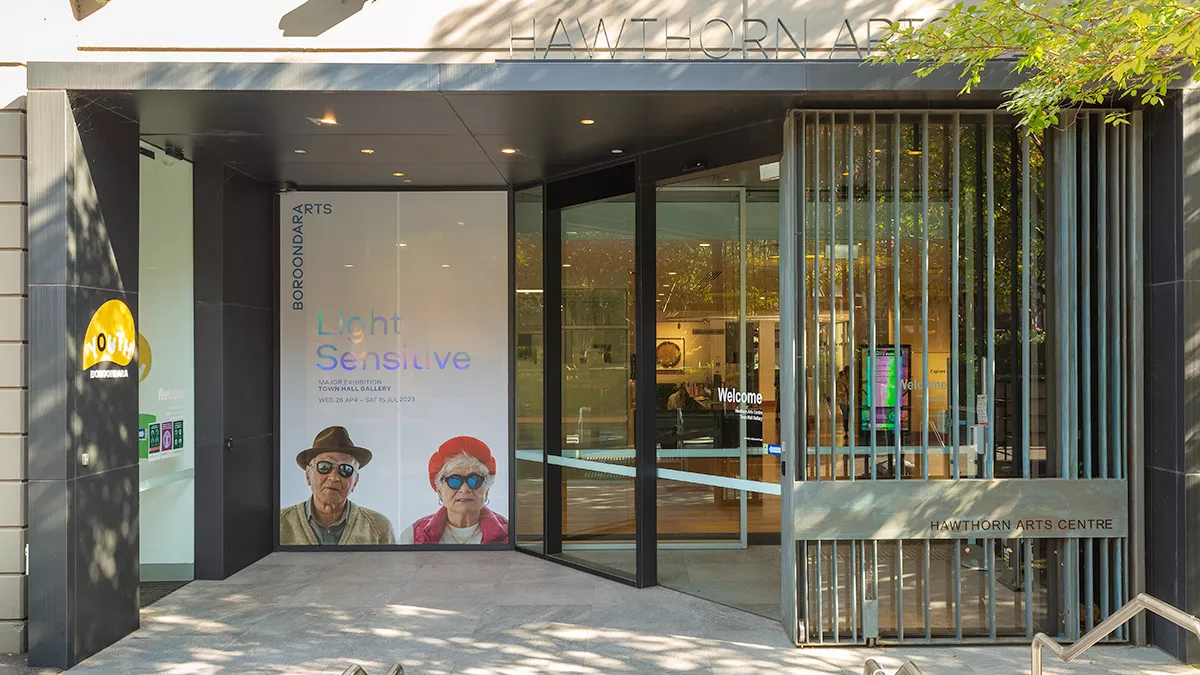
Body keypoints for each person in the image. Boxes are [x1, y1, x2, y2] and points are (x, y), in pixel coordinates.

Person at [280, 426, 395, 545]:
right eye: (324, 467)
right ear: (308, 475)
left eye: (345, 469)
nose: (334, 477)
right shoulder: (278, 524)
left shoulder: (379, 528)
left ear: (355, 481)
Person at [400, 436, 509, 545]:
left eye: (474, 480)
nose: (465, 489)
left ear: (486, 490)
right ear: (439, 491)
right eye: (454, 480)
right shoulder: (413, 536)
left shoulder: (509, 535)